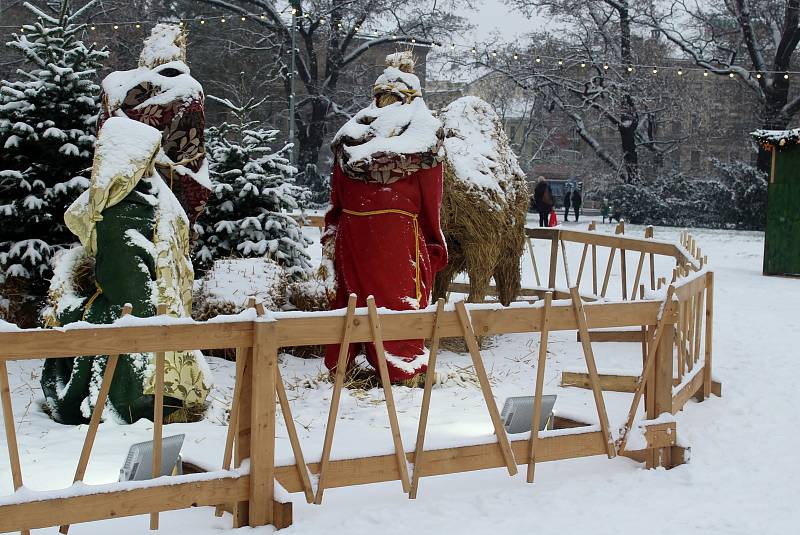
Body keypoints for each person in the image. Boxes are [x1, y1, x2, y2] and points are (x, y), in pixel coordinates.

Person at [323, 51, 447, 383]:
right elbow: (430, 202)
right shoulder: (424, 142)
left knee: (351, 295)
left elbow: (336, 199)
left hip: (352, 232)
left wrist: (333, 233)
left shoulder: (350, 138)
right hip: (398, 233)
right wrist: (434, 243)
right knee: (399, 298)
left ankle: (342, 365)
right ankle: (401, 367)